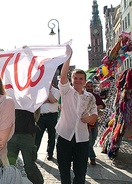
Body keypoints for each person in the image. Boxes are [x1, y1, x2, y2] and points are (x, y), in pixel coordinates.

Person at [56, 46, 98, 184]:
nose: (78, 80)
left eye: (81, 78)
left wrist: (90, 118)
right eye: (75, 78)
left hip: (82, 138)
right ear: (72, 80)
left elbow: (94, 114)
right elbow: (62, 76)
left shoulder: (90, 97)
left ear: (85, 81)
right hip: (65, 136)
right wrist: (68, 57)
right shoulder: (67, 92)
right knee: (64, 171)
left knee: (80, 173)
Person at [7, 109, 44, 184]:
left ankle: (38, 182)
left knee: (29, 164)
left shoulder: (31, 98)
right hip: (12, 134)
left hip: (27, 134)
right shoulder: (11, 98)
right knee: (9, 164)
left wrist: (34, 120)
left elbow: (37, 111)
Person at [35, 83, 60, 160]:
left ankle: (50, 153)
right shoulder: (40, 91)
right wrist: (48, 99)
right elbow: (38, 101)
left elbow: (53, 100)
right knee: (38, 136)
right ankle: (34, 153)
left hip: (52, 116)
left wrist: (48, 91)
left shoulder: (56, 91)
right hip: (41, 116)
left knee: (51, 135)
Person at [85, 80, 105, 165]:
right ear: (85, 87)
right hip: (86, 121)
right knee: (89, 139)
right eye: (88, 86)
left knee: (94, 137)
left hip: (94, 119)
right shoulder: (83, 96)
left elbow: (103, 106)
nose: (89, 88)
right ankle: (92, 157)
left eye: (91, 86)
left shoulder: (96, 96)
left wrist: (94, 107)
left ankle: (86, 153)